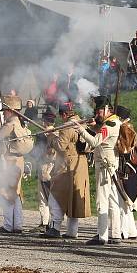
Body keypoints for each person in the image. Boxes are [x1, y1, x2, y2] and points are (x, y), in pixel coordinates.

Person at [77, 95, 121, 245]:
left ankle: (102, 236)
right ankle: (115, 234)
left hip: (104, 166)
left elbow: (96, 141)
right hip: (110, 164)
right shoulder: (113, 122)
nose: (98, 114)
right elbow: (100, 133)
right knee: (112, 200)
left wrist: (81, 130)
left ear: (107, 109)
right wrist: (91, 126)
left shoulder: (109, 125)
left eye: (100, 111)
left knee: (102, 201)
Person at [42, 102, 91, 239]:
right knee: (73, 199)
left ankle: (54, 227)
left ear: (64, 114)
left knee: (56, 197)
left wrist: (51, 136)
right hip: (80, 164)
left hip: (66, 165)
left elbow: (60, 146)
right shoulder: (82, 123)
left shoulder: (66, 126)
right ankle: (72, 231)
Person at [0, 95, 31, 234]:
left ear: (10, 111)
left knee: (7, 193)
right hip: (18, 160)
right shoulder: (20, 124)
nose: (4, 113)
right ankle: (18, 225)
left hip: (9, 161)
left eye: (5, 111)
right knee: (16, 194)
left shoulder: (10, 124)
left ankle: (8, 225)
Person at [114, 105, 137, 240]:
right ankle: (131, 231)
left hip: (125, 169)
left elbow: (123, 149)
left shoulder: (125, 129)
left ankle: (123, 231)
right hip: (128, 168)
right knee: (124, 202)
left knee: (122, 201)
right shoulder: (128, 128)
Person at [35, 108, 56, 229]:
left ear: (45, 121)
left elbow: (43, 151)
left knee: (45, 197)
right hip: (50, 167)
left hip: (46, 167)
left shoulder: (45, 134)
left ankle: (46, 223)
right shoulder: (55, 133)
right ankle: (46, 222)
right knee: (47, 197)